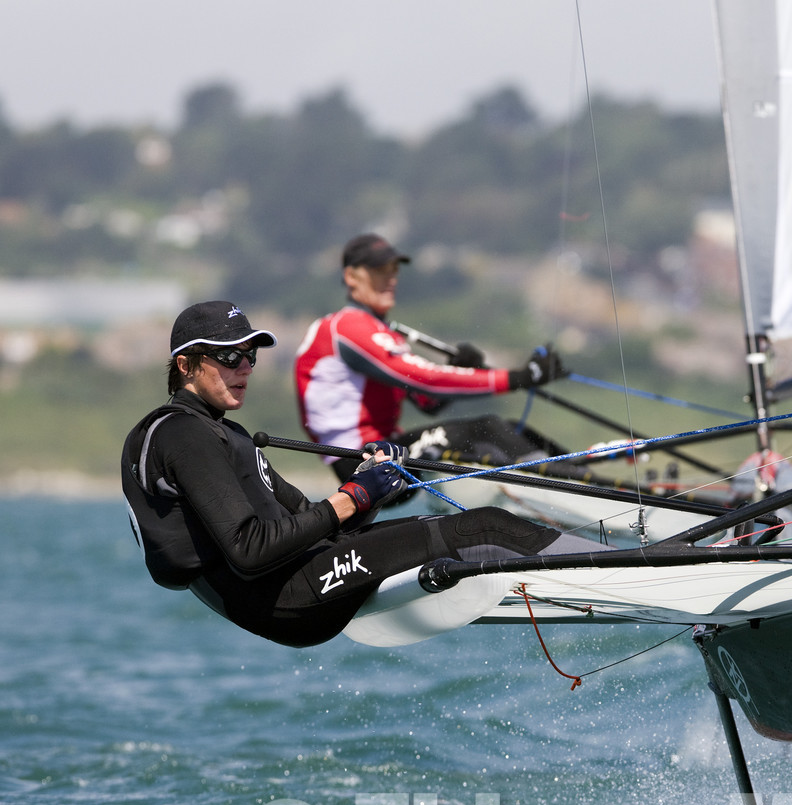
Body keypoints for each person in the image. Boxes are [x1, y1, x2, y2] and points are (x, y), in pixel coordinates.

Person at [123, 300, 596, 648]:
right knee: (486, 527)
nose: (244, 367)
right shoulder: (183, 435)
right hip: (283, 597)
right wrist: (353, 496)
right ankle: (632, 565)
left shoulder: (226, 434)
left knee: (474, 529)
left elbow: (313, 518)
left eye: (250, 355)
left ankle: (607, 565)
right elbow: (250, 550)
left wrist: (373, 482)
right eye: (229, 357)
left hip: (300, 577)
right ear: (185, 364)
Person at [295, 233, 566, 482]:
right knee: (487, 429)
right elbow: (426, 380)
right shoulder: (348, 328)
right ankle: (563, 486)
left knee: (509, 429)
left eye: (394, 270)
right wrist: (520, 377)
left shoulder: (380, 332)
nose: (391, 279)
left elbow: (428, 402)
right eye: (379, 271)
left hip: (386, 449)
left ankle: (577, 468)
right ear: (351, 277)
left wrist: (457, 368)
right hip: (361, 462)